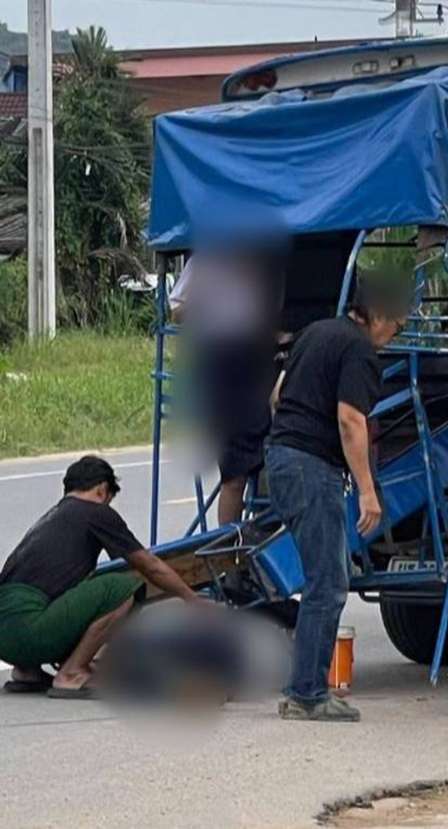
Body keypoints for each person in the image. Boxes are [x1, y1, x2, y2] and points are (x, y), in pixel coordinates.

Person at [266, 274, 407, 722]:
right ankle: (307, 694)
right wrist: (367, 490)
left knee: (323, 577)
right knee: (327, 582)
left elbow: (277, 395)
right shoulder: (360, 351)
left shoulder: (318, 331)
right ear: (377, 315)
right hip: (311, 467)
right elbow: (350, 419)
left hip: (282, 456)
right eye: (397, 326)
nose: (395, 336)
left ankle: (304, 689)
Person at [0, 456, 202, 699]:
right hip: (30, 630)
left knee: (69, 590)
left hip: (6, 641)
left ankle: (26, 672)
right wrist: (192, 599)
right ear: (102, 490)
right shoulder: (96, 513)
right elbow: (150, 566)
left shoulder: (50, 519)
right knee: (121, 587)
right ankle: (72, 673)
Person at [170, 247, 285, 525]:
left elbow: (260, 318)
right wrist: (207, 300)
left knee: (275, 448)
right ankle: (227, 548)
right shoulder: (204, 262)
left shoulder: (258, 264)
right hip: (220, 359)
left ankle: (267, 530)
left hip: (255, 355)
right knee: (234, 471)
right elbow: (176, 311)